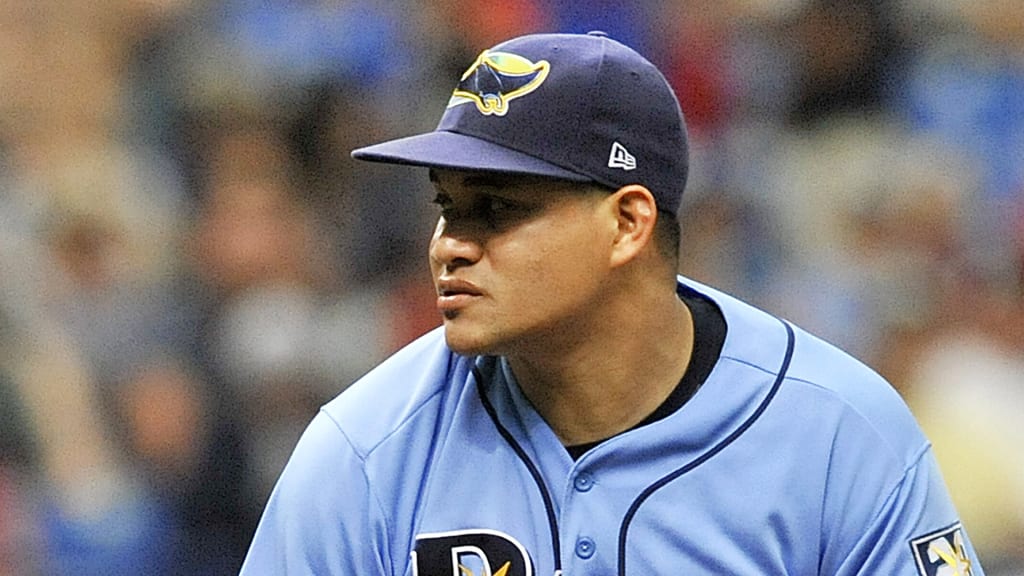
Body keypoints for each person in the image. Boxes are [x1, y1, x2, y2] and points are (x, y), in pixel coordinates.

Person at [239, 32, 985, 575]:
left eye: (495, 209)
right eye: (446, 206)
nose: (449, 246)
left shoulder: (838, 434)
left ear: (628, 223)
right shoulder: (367, 449)